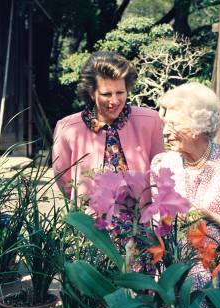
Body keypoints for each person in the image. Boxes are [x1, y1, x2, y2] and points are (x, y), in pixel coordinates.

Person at [151, 82, 220, 289]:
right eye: (165, 124)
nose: (165, 133)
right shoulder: (162, 163)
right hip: (166, 270)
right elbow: (155, 225)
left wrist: (207, 215)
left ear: (198, 126)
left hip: (213, 275)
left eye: (174, 125)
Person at [52, 51, 164, 202]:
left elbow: (159, 172)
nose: (115, 101)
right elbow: (64, 179)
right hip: (89, 220)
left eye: (120, 92)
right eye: (106, 94)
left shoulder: (150, 121)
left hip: (140, 219)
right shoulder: (67, 128)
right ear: (92, 93)